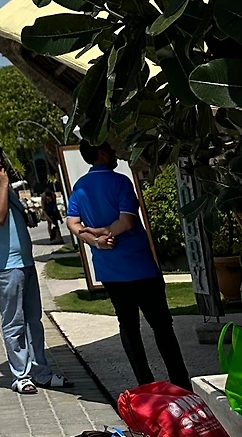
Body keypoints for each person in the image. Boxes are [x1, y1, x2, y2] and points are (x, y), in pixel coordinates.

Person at [66, 142, 191, 390]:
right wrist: (106, 232)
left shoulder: (80, 187)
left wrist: (96, 241)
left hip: (109, 271)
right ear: (101, 153)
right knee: (162, 326)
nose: (115, 154)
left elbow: (72, 222)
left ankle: (144, 385)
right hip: (139, 266)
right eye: (111, 150)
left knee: (129, 327)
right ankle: (181, 382)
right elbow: (127, 221)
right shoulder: (120, 182)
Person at [0, 143, 71, 396]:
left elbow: (19, 216)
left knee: (34, 320)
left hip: (25, 262)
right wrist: (4, 185)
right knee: (14, 323)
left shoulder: (3, 189)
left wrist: (27, 214)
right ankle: (21, 376)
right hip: (5, 267)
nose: (4, 168)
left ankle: (42, 373)